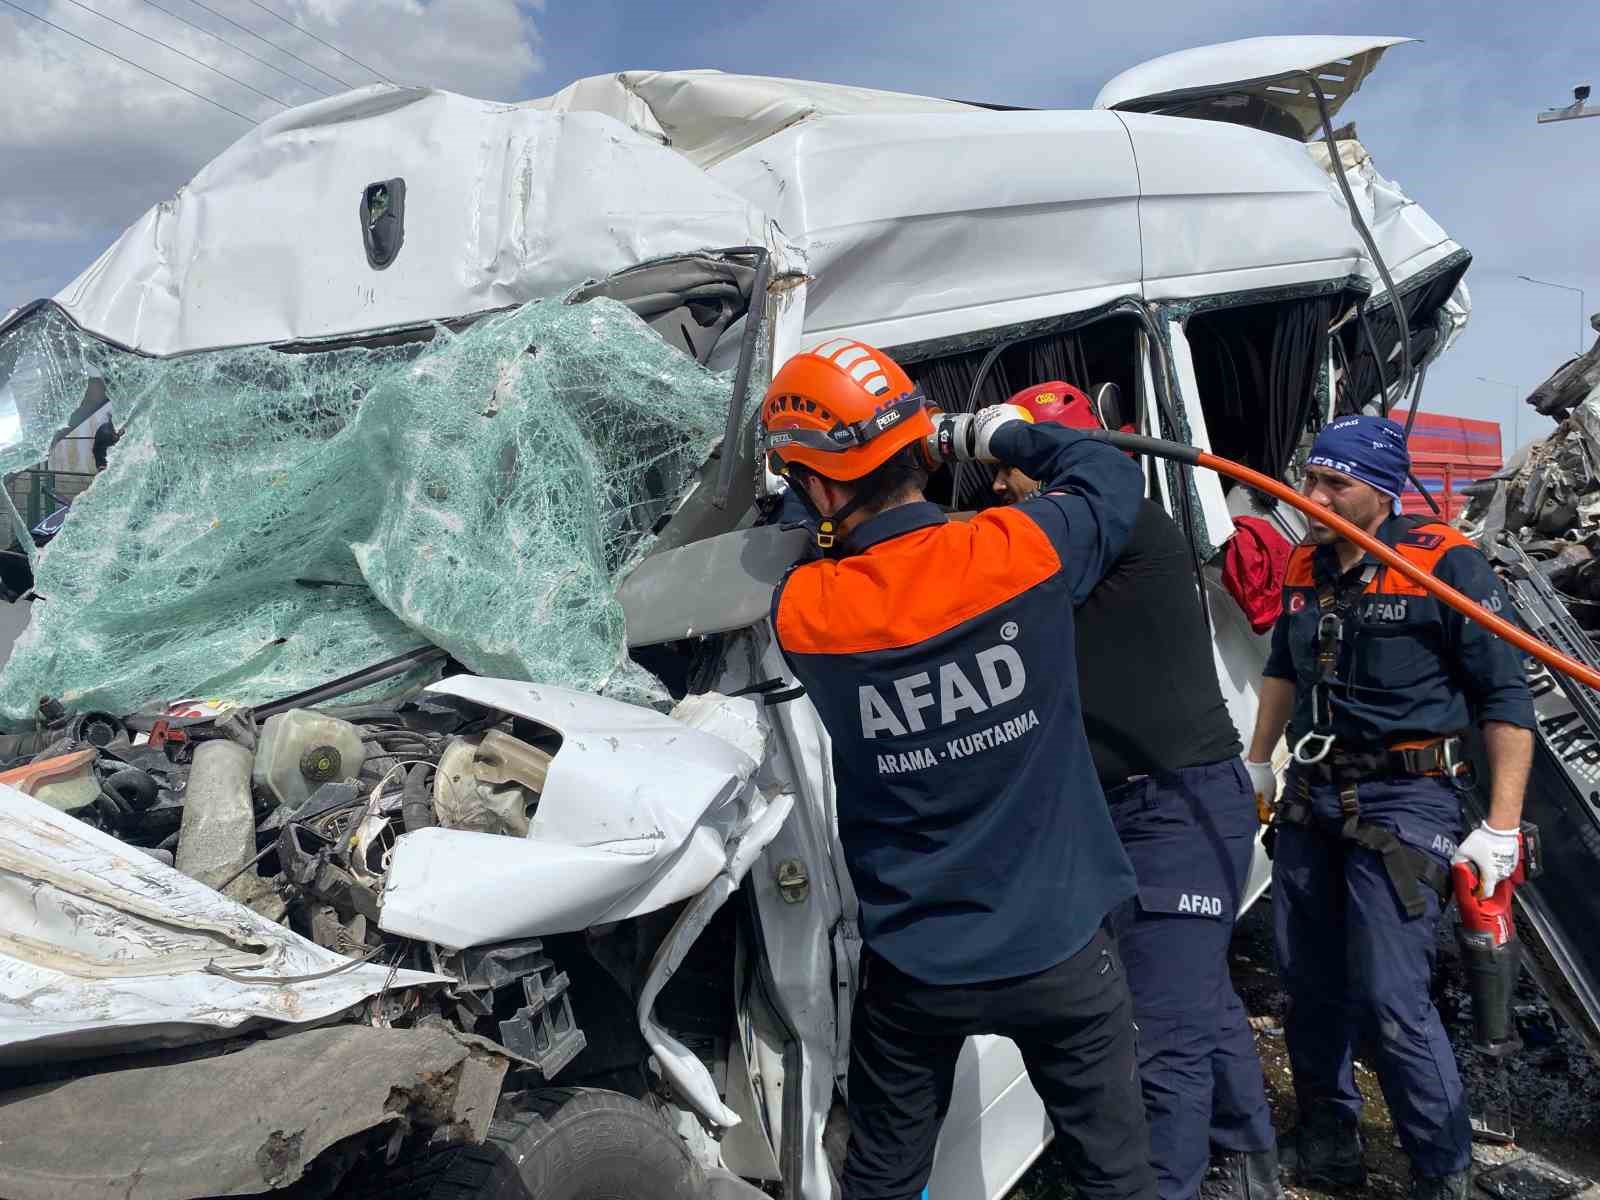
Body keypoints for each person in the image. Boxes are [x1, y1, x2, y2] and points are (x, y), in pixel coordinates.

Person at [761, 339, 1156, 1200]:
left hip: (920, 965)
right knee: (1115, 1178)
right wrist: (990, 435)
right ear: (914, 448)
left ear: (822, 488)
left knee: (885, 1179)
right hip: (1061, 949)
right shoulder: (1018, 551)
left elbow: (786, 549)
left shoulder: (808, 613)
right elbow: (1110, 476)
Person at [991, 382, 1282, 1200]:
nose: (1006, 483)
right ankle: (1249, 1164)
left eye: (1024, 463)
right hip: (1144, 809)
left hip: (1175, 810)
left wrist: (1002, 443)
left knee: (1159, 1043)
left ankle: (1177, 1183)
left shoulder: (1121, 526)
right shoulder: (1066, 536)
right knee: (1198, 1005)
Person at [1243, 415, 1535, 1200]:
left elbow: (1506, 700)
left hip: (1407, 800)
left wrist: (1500, 829)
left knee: (1391, 996)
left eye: (1333, 484)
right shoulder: (1305, 562)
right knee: (1307, 981)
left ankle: (1443, 1173)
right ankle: (1329, 1144)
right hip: (1311, 797)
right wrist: (1258, 762)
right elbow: (1280, 665)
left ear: (1380, 489)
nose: (1312, 497)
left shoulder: (1446, 564)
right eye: (1309, 479)